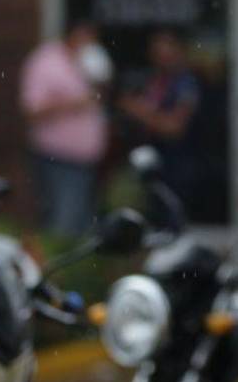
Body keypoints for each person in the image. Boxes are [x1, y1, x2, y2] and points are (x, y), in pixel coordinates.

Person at [19, 20, 111, 236]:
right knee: (63, 222)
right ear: (75, 34)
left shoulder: (86, 63)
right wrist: (73, 104)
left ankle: (77, 269)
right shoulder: (45, 62)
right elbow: (32, 111)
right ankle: (56, 268)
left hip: (86, 161)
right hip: (57, 158)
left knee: (82, 223)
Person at [118, 29, 200, 223]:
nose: (161, 58)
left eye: (166, 51)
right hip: (154, 162)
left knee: (172, 217)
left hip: (178, 164)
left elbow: (174, 127)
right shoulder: (155, 80)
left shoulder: (185, 83)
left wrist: (136, 110)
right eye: (156, 52)